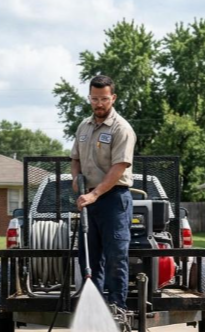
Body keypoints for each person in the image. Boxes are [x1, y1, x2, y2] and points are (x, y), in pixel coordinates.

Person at [72, 74, 137, 313]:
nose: (99, 104)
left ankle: (117, 307)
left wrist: (95, 194)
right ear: (89, 97)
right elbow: (75, 158)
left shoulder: (122, 128)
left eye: (104, 99)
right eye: (95, 98)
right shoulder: (84, 126)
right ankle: (94, 308)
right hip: (89, 200)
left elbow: (119, 167)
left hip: (113, 199)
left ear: (113, 98)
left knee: (115, 256)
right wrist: (77, 182)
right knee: (88, 258)